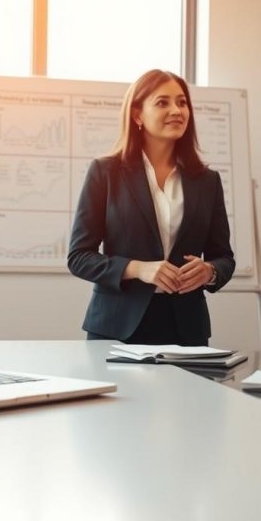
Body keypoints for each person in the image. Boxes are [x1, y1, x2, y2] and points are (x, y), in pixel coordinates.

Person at [68, 69, 235, 346]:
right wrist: (138, 269)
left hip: (186, 329)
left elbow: (224, 257)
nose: (176, 110)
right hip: (117, 327)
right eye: (162, 102)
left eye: (182, 103)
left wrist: (210, 272)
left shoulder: (207, 181)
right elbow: (79, 257)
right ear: (137, 115)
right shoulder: (106, 172)